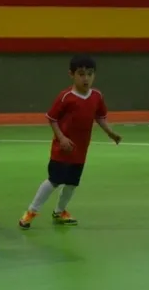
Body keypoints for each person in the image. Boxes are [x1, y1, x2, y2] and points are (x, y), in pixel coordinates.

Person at [19, 55, 121, 229]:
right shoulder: (65, 97)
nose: (86, 78)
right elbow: (52, 118)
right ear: (71, 74)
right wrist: (62, 138)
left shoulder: (97, 96)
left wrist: (110, 133)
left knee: (72, 183)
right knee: (54, 180)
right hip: (62, 149)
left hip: (81, 150)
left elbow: (99, 116)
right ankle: (31, 211)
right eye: (81, 74)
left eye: (90, 74)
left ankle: (59, 212)